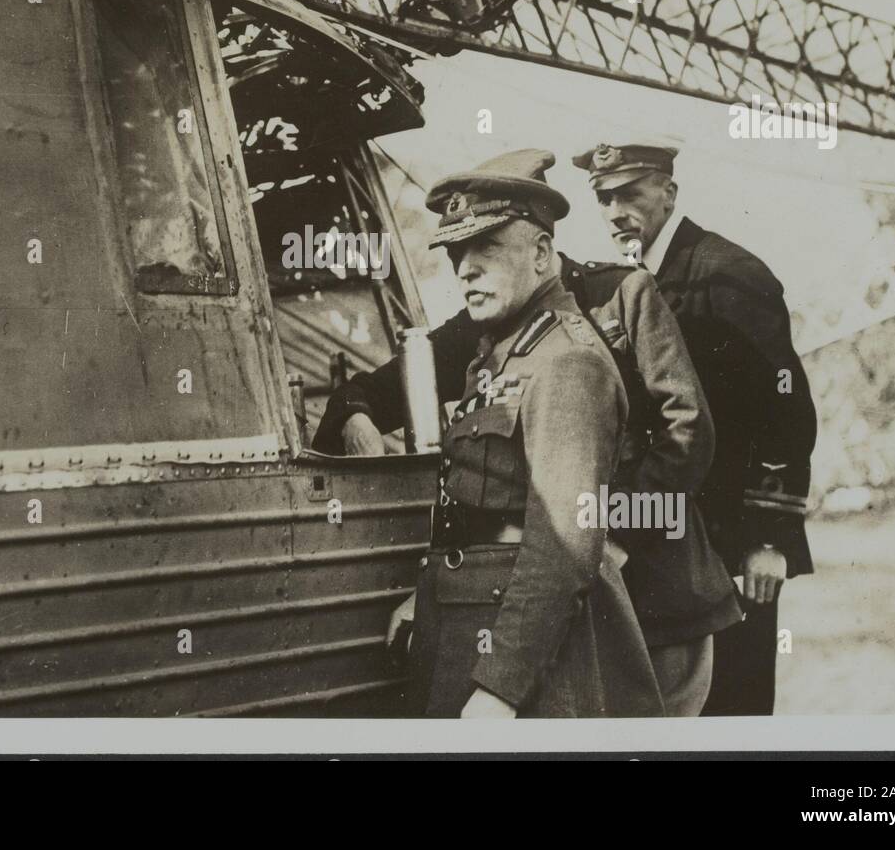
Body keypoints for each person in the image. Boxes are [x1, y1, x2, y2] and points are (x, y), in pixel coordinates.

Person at [315, 150, 740, 715]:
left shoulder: (622, 295)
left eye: (486, 248)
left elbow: (688, 431)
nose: (467, 269)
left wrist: (607, 534)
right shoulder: (490, 324)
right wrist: (353, 412)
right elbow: (384, 386)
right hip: (551, 586)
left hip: (653, 581)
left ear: (543, 252)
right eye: (459, 253)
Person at [570, 142, 816, 716]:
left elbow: (785, 409)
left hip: (733, 547)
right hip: (671, 547)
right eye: (603, 198)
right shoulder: (630, 283)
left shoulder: (727, 273)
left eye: (630, 194)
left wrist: (768, 539)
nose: (614, 212)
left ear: (669, 193)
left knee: (732, 712)